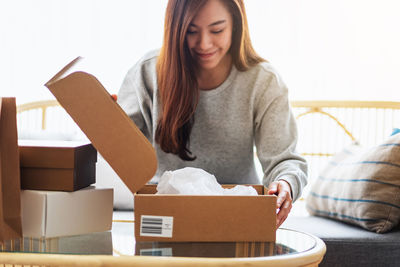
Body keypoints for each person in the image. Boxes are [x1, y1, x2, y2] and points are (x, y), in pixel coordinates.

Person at [118, 0, 307, 227]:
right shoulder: (148, 72)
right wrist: (108, 123)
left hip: (237, 212)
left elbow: (284, 159)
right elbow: (121, 154)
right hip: (166, 213)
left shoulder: (263, 81)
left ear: (236, 25)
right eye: (191, 31)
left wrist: (285, 183)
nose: (204, 43)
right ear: (175, 29)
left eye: (217, 30)